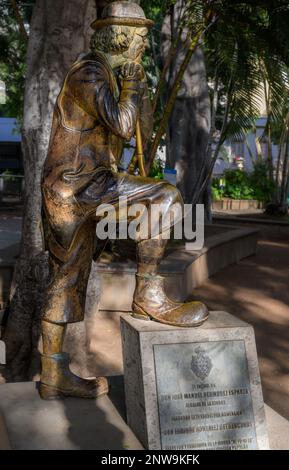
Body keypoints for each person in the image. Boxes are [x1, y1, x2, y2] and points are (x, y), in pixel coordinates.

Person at [40, 1, 208, 400]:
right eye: (140, 39)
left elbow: (137, 130)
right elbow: (123, 123)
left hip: (80, 189)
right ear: (123, 39)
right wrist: (132, 87)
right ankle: (147, 293)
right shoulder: (91, 73)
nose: (144, 47)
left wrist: (137, 88)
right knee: (165, 197)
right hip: (81, 188)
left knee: (66, 278)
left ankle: (52, 375)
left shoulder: (106, 76)